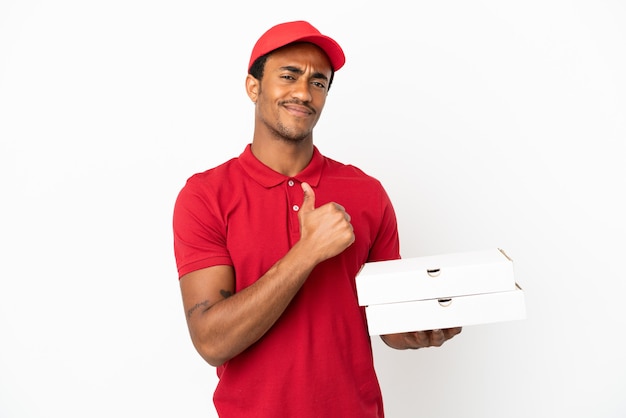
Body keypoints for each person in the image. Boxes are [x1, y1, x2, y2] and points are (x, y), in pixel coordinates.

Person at [172, 20, 462, 417]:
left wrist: (417, 330)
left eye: (319, 82)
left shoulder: (367, 192)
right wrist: (307, 252)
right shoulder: (205, 196)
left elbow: (387, 319)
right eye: (289, 75)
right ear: (253, 87)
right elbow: (211, 342)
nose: (303, 92)